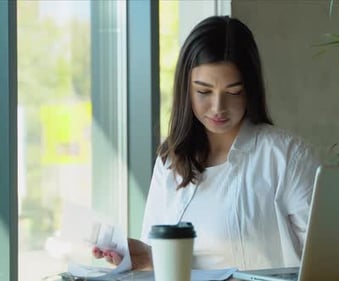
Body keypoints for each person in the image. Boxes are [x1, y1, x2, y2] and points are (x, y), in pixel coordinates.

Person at [93, 15, 320, 271]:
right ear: (186, 89)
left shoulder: (286, 157)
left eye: (233, 92)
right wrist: (148, 257)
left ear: (250, 89)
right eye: (203, 91)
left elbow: (325, 260)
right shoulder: (171, 161)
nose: (217, 107)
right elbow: (168, 264)